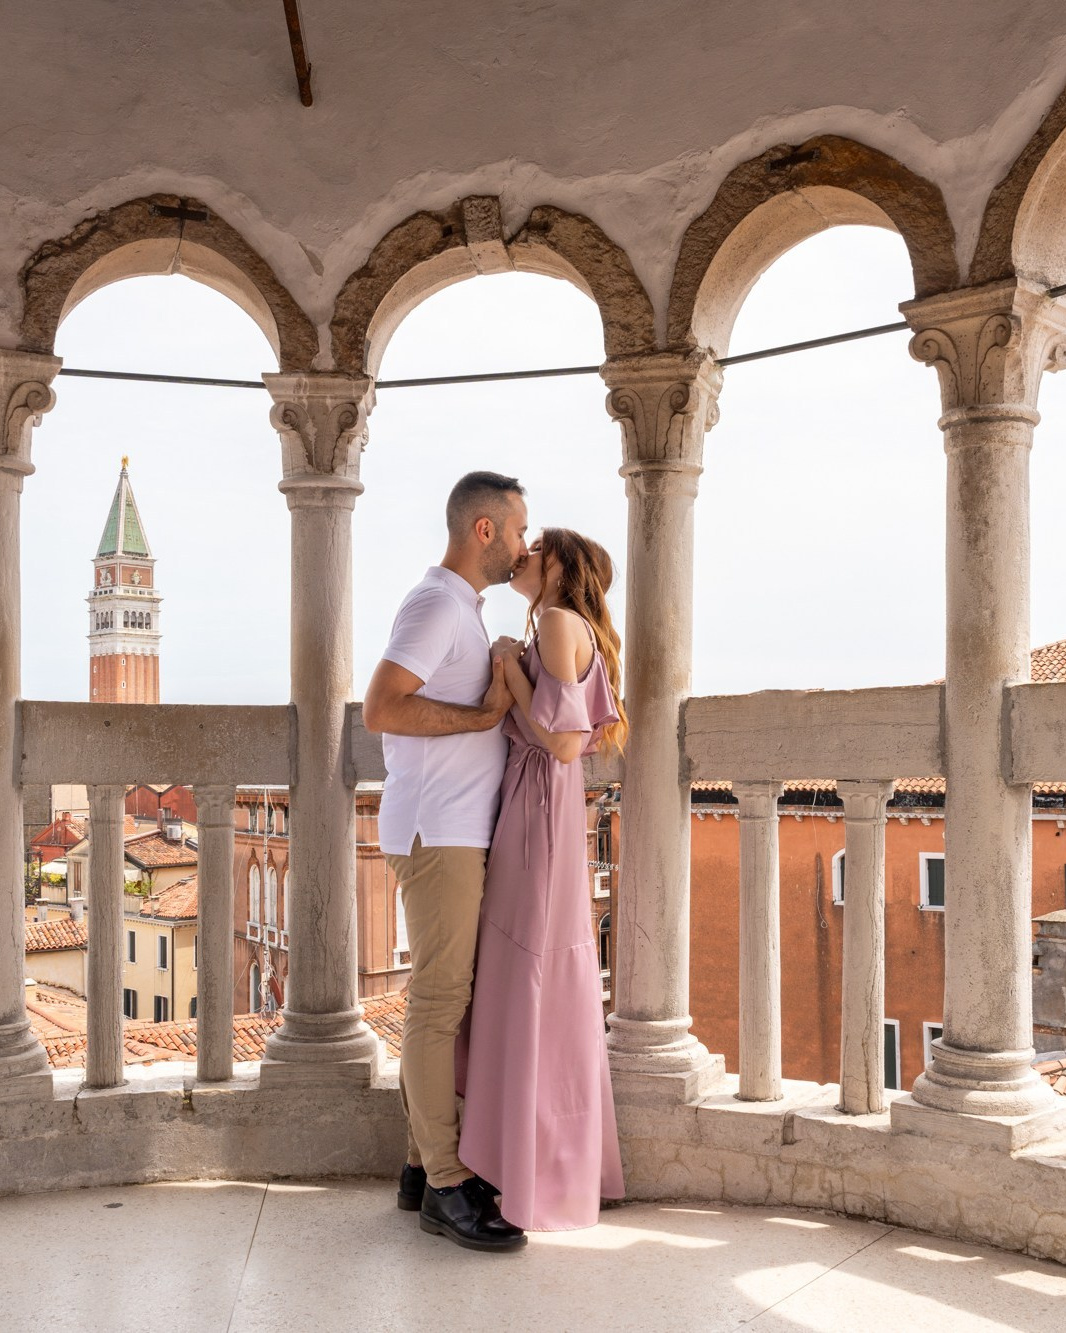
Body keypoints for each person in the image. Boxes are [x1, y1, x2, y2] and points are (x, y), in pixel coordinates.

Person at [363, 471, 530, 1254]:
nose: (524, 544)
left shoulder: (462, 609)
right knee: (437, 1005)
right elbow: (383, 705)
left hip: (452, 831)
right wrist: (484, 714)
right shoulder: (436, 604)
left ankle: (416, 1168)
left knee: (443, 1004)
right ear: (485, 529)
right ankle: (447, 1180)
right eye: (518, 529)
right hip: (439, 834)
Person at [457, 527, 628, 1231]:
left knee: (527, 968)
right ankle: (534, 1164)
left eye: (537, 549)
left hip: (540, 805)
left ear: (560, 568)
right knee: (529, 968)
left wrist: (509, 669)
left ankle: (529, 1173)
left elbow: (560, 741)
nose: (522, 556)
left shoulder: (557, 620)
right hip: (535, 803)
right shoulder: (557, 623)